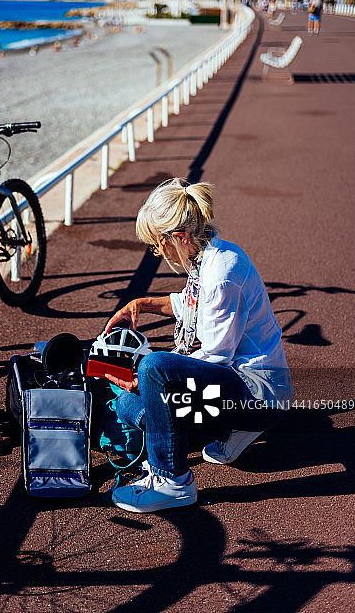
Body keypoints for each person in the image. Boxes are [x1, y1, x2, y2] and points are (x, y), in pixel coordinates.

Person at [104, 179, 294, 513]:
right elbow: (189, 303)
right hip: (245, 387)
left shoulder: (221, 273)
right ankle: (210, 428)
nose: (157, 253)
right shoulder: (209, 255)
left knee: (153, 372)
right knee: (126, 403)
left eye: (156, 245)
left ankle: (172, 481)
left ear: (178, 237)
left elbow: (216, 359)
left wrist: (149, 376)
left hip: (259, 397)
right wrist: (141, 304)